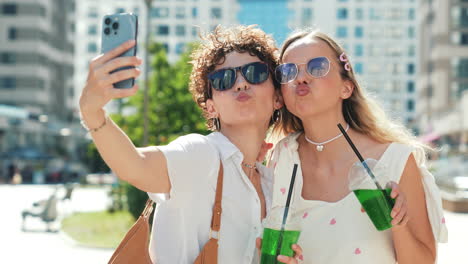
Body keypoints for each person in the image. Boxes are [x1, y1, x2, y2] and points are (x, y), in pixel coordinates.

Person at [79, 25, 301, 263]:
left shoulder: (272, 184)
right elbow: (135, 165)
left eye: (255, 73)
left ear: (278, 97)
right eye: (223, 79)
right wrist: (92, 112)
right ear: (210, 107)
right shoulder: (200, 154)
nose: (240, 83)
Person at [268, 29, 448, 264]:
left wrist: (399, 224)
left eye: (317, 67)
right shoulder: (280, 157)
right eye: (288, 71)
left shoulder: (395, 160)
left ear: (346, 88)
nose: (300, 78)